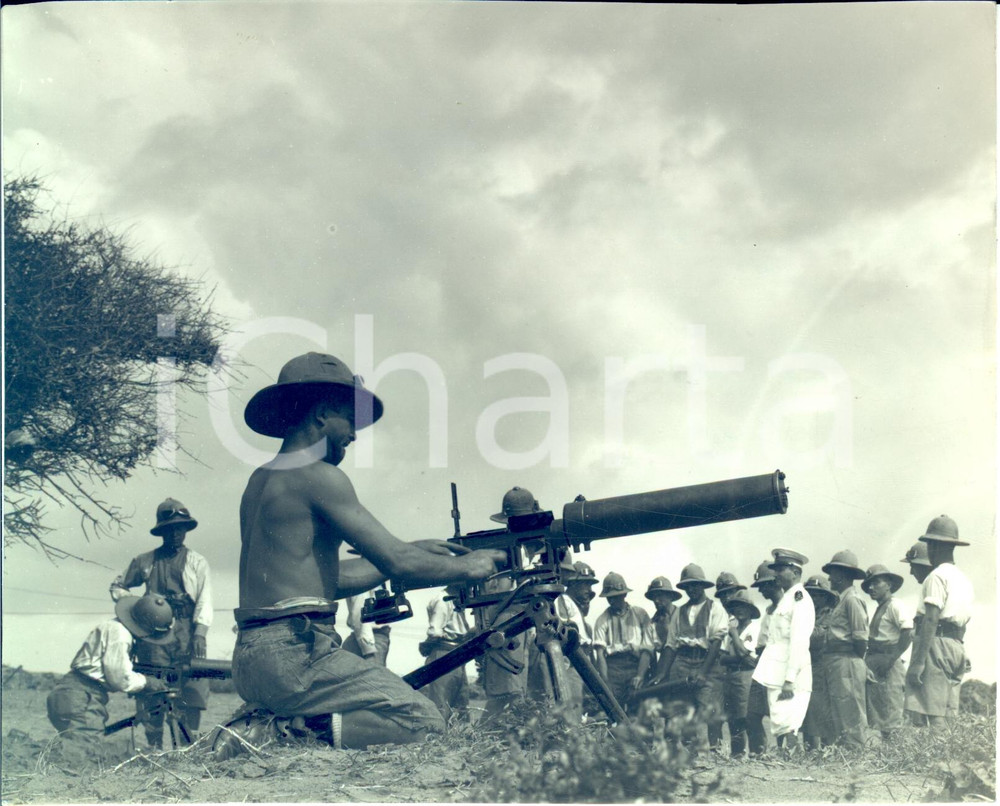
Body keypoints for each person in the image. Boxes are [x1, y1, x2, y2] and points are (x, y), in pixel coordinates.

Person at [231, 352, 503, 748]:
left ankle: (272, 724)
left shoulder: (260, 481)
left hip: (253, 656)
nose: (354, 435)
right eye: (349, 419)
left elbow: (324, 582)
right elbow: (399, 563)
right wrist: (471, 565)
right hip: (296, 653)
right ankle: (278, 732)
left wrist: (407, 551)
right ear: (322, 413)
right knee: (425, 721)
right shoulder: (319, 475)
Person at [109, 498, 213, 747]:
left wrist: (200, 632)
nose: (175, 534)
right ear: (162, 531)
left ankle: (186, 749)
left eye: (180, 528)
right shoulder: (145, 561)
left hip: (187, 633)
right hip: (153, 635)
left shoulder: (197, 562)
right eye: (170, 529)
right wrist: (138, 607)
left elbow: (204, 598)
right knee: (152, 688)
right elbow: (118, 586)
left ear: (185, 530)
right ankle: (154, 748)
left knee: (191, 689)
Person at [46, 595, 174, 760]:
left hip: (71, 692)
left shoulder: (112, 626)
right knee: (84, 753)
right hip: (82, 696)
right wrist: (148, 682)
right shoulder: (120, 635)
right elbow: (120, 678)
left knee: (77, 748)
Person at [904, 515, 973, 731]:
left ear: (933, 546)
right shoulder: (963, 579)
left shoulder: (936, 577)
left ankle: (935, 752)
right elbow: (962, 620)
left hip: (936, 644)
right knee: (948, 713)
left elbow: (931, 618)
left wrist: (918, 662)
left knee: (932, 713)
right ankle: (949, 752)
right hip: (956, 645)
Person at [653, 563, 729, 748]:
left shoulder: (715, 608)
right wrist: (662, 673)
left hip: (706, 660)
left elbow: (716, 641)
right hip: (682, 661)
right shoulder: (679, 612)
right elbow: (671, 645)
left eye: (695, 585)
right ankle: (690, 751)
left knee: (710, 708)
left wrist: (703, 672)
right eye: (687, 586)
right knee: (683, 708)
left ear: (702, 585)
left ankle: (716, 750)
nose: (691, 589)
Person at [480, 487, 537, 720]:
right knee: (509, 693)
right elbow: (498, 592)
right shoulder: (504, 550)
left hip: (518, 621)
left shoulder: (521, 548)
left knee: (514, 690)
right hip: (507, 621)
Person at [752, 549, 814, 754]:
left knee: (789, 716)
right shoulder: (786, 599)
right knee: (779, 715)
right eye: (775, 570)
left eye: (781, 570)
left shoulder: (800, 599)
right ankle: (786, 755)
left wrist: (789, 678)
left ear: (795, 572)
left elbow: (799, 641)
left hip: (790, 668)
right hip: (776, 666)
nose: (776, 574)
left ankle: (793, 755)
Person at [820, 549, 869, 748]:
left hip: (847, 658)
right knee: (838, 710)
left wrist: (853, 660)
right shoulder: (841, 600)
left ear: (842, 575)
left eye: (833, 573)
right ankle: (844, 755)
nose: (829, 578)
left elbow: (860, 637)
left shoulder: (852, 600)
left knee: (851, 710)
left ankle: (856, 754)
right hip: (835, 659)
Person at [861, 564, 912, 741]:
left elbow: (908, 631)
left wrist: (891, 659)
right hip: (875, 660)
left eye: (876, 583)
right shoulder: (880, 608)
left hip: (889, 662)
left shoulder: (895, 605)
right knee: (878, 714)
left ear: (889, 584)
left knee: (891, 712)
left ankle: (895, 752)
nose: (871, 588)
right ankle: (883, 752)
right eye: (869, 584)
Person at [593, 572, 655, 712]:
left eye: (616, 596)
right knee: (614, 710)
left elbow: (647, 648)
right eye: (609, 598)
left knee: (640, 710)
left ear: (624, 594)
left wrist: (640, 675)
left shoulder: (640, 614)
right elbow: (600, 654)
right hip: (613, 668)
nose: (612, 601)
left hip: (636, 665)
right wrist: (605, 682)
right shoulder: (602, 620)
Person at [746, 560, 783, 757]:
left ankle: (784, 754)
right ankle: (758, 752)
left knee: (780, 713)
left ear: (775, 583)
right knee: (752, 713)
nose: (761, 590)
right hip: (762, 664)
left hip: (779, 665)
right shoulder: (768, 610)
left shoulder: (788, 607)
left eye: (764, 585)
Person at [420, 584, 473, 722]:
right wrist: (427, 644)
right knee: (441, 703)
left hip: (457, 653)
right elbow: (435, 632)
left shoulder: (457, 599)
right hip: (444, 652)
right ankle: (437, 733)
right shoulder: (443, 599)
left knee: (460, 703)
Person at [718, 590, 760, 758]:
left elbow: (744, 654)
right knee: (732, 717)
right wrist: (737, 657)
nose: (739, 610)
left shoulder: (753, 629)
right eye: (736, 606)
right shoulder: (731, 630)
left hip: (745, 676)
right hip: (730, 675)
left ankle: (757, 752)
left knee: (747, 716)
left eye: (744, 606)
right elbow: (722, 658)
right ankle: (737, 753)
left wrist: (735, 635)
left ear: (750, 610)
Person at [801, 574, 837, 751]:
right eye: (810, 594)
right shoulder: (806, 613)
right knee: (807, 711)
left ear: (827, 597)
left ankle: (826, 751)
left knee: (822, 711)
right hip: (806, 666)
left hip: (822, 667)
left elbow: (819, 638)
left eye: (818, 594)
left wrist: (800, 630)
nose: (814, 598)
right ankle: (811, 751)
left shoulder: (831, 614)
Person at [342, 590, 391, 666]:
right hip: (371, 638)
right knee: (375, 672)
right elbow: (360, 611)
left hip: (370, 636)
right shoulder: (363, 583)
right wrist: (368, 648)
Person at [645, 576, 682, 672]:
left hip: (684, 664)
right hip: (663, 666)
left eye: (660, 595)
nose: (656, 600)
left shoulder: (683, 615)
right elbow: (650, 652)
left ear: (670, 596)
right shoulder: (652, 624)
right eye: (654, 597)